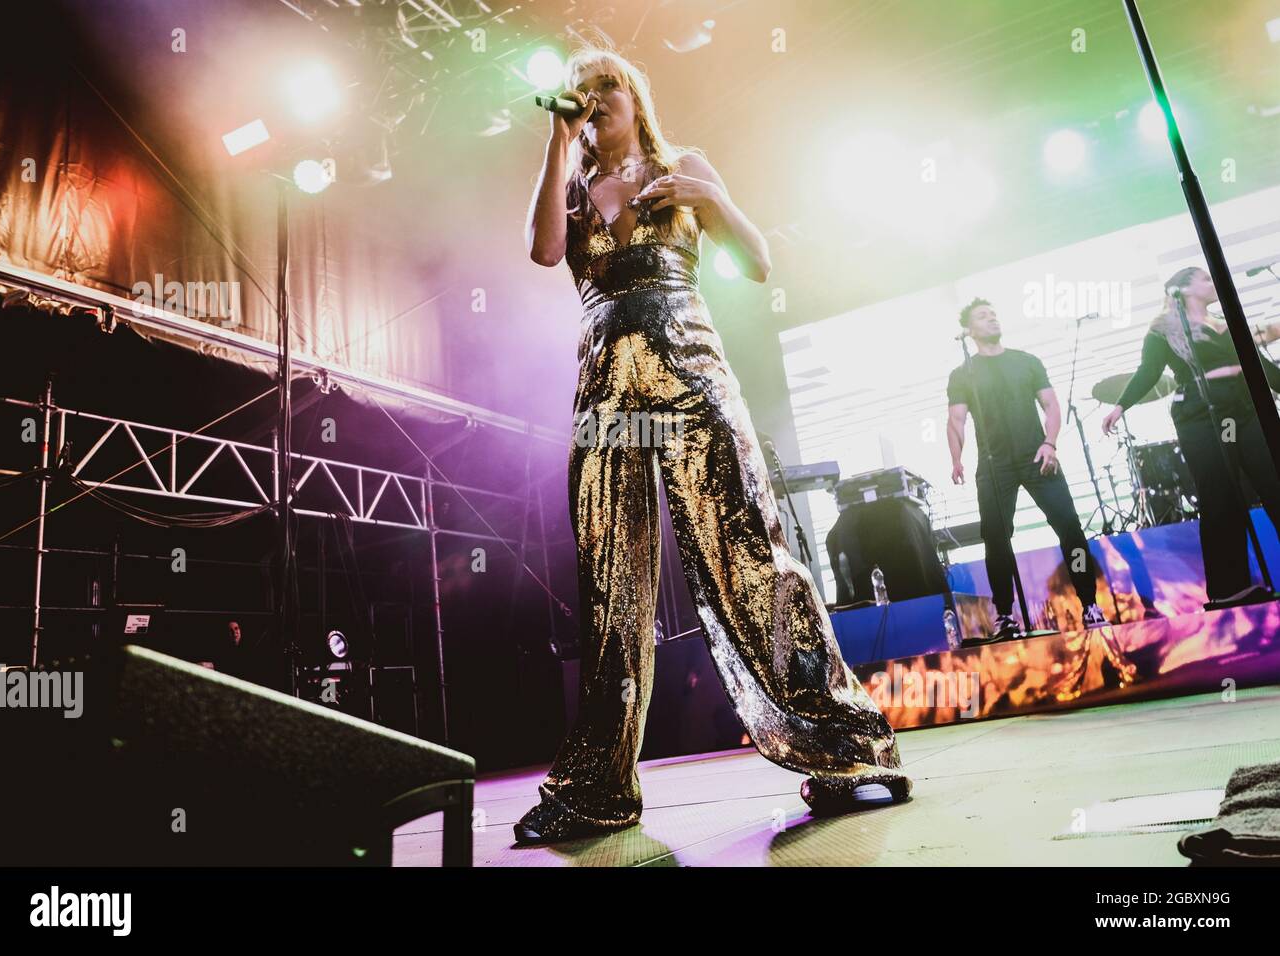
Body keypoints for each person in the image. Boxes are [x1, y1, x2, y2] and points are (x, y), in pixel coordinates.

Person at [517, 43, 909, 845]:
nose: (595, 98)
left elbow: (758, 263)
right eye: (583, 90)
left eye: (608, 86)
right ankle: (596, 788)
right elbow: (545, 252)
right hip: (605, 390)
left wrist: (710, 199)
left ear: (635, 97)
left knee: (745, 556)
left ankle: (843, 747)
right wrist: (557, 141)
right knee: (609, 585)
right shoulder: (573, 181)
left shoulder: (683, 163)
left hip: (689, 374)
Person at [1101, 267, 1280, 608]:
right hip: (1201, 412)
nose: (1213, 284)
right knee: (1221, 494)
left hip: (1246, 404)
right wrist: (1120, 406)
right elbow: (1148, 371)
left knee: (1275, 479)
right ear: (1180, 290)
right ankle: (1230, 588)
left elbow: (1256, 363)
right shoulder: (1164, 329)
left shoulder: (1225, 323)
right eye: (1205, 279)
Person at [947, 298, 1109, 640]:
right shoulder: (964, 374)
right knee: (995, 536)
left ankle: (1090, 604)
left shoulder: (1026, 361)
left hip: (1037, 456)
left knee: (1070, 527)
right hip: (994, 464)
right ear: (969, 330)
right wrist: (956, 457)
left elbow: (1050, 405)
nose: (991, 318)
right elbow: (956, 420)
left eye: (993, 313)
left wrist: (1050, 443)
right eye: (982, 316)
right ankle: (1005, 614)